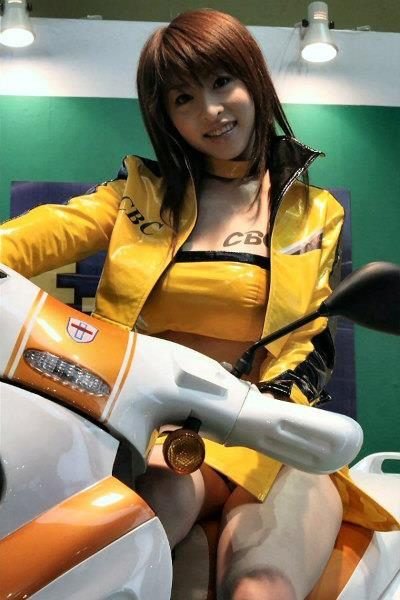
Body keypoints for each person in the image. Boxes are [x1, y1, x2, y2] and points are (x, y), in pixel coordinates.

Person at [1, 9, 398, 600]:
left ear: (252, 80)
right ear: (166, 115)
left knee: (259, 589)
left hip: (273, 438)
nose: (210, 110)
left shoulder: (315, 213)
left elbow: (309, 341)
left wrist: (264, 412)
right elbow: (33, 238)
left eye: (221, 82)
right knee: (95, 564)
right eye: (183, 98)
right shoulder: (136, 197)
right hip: (161, 433)